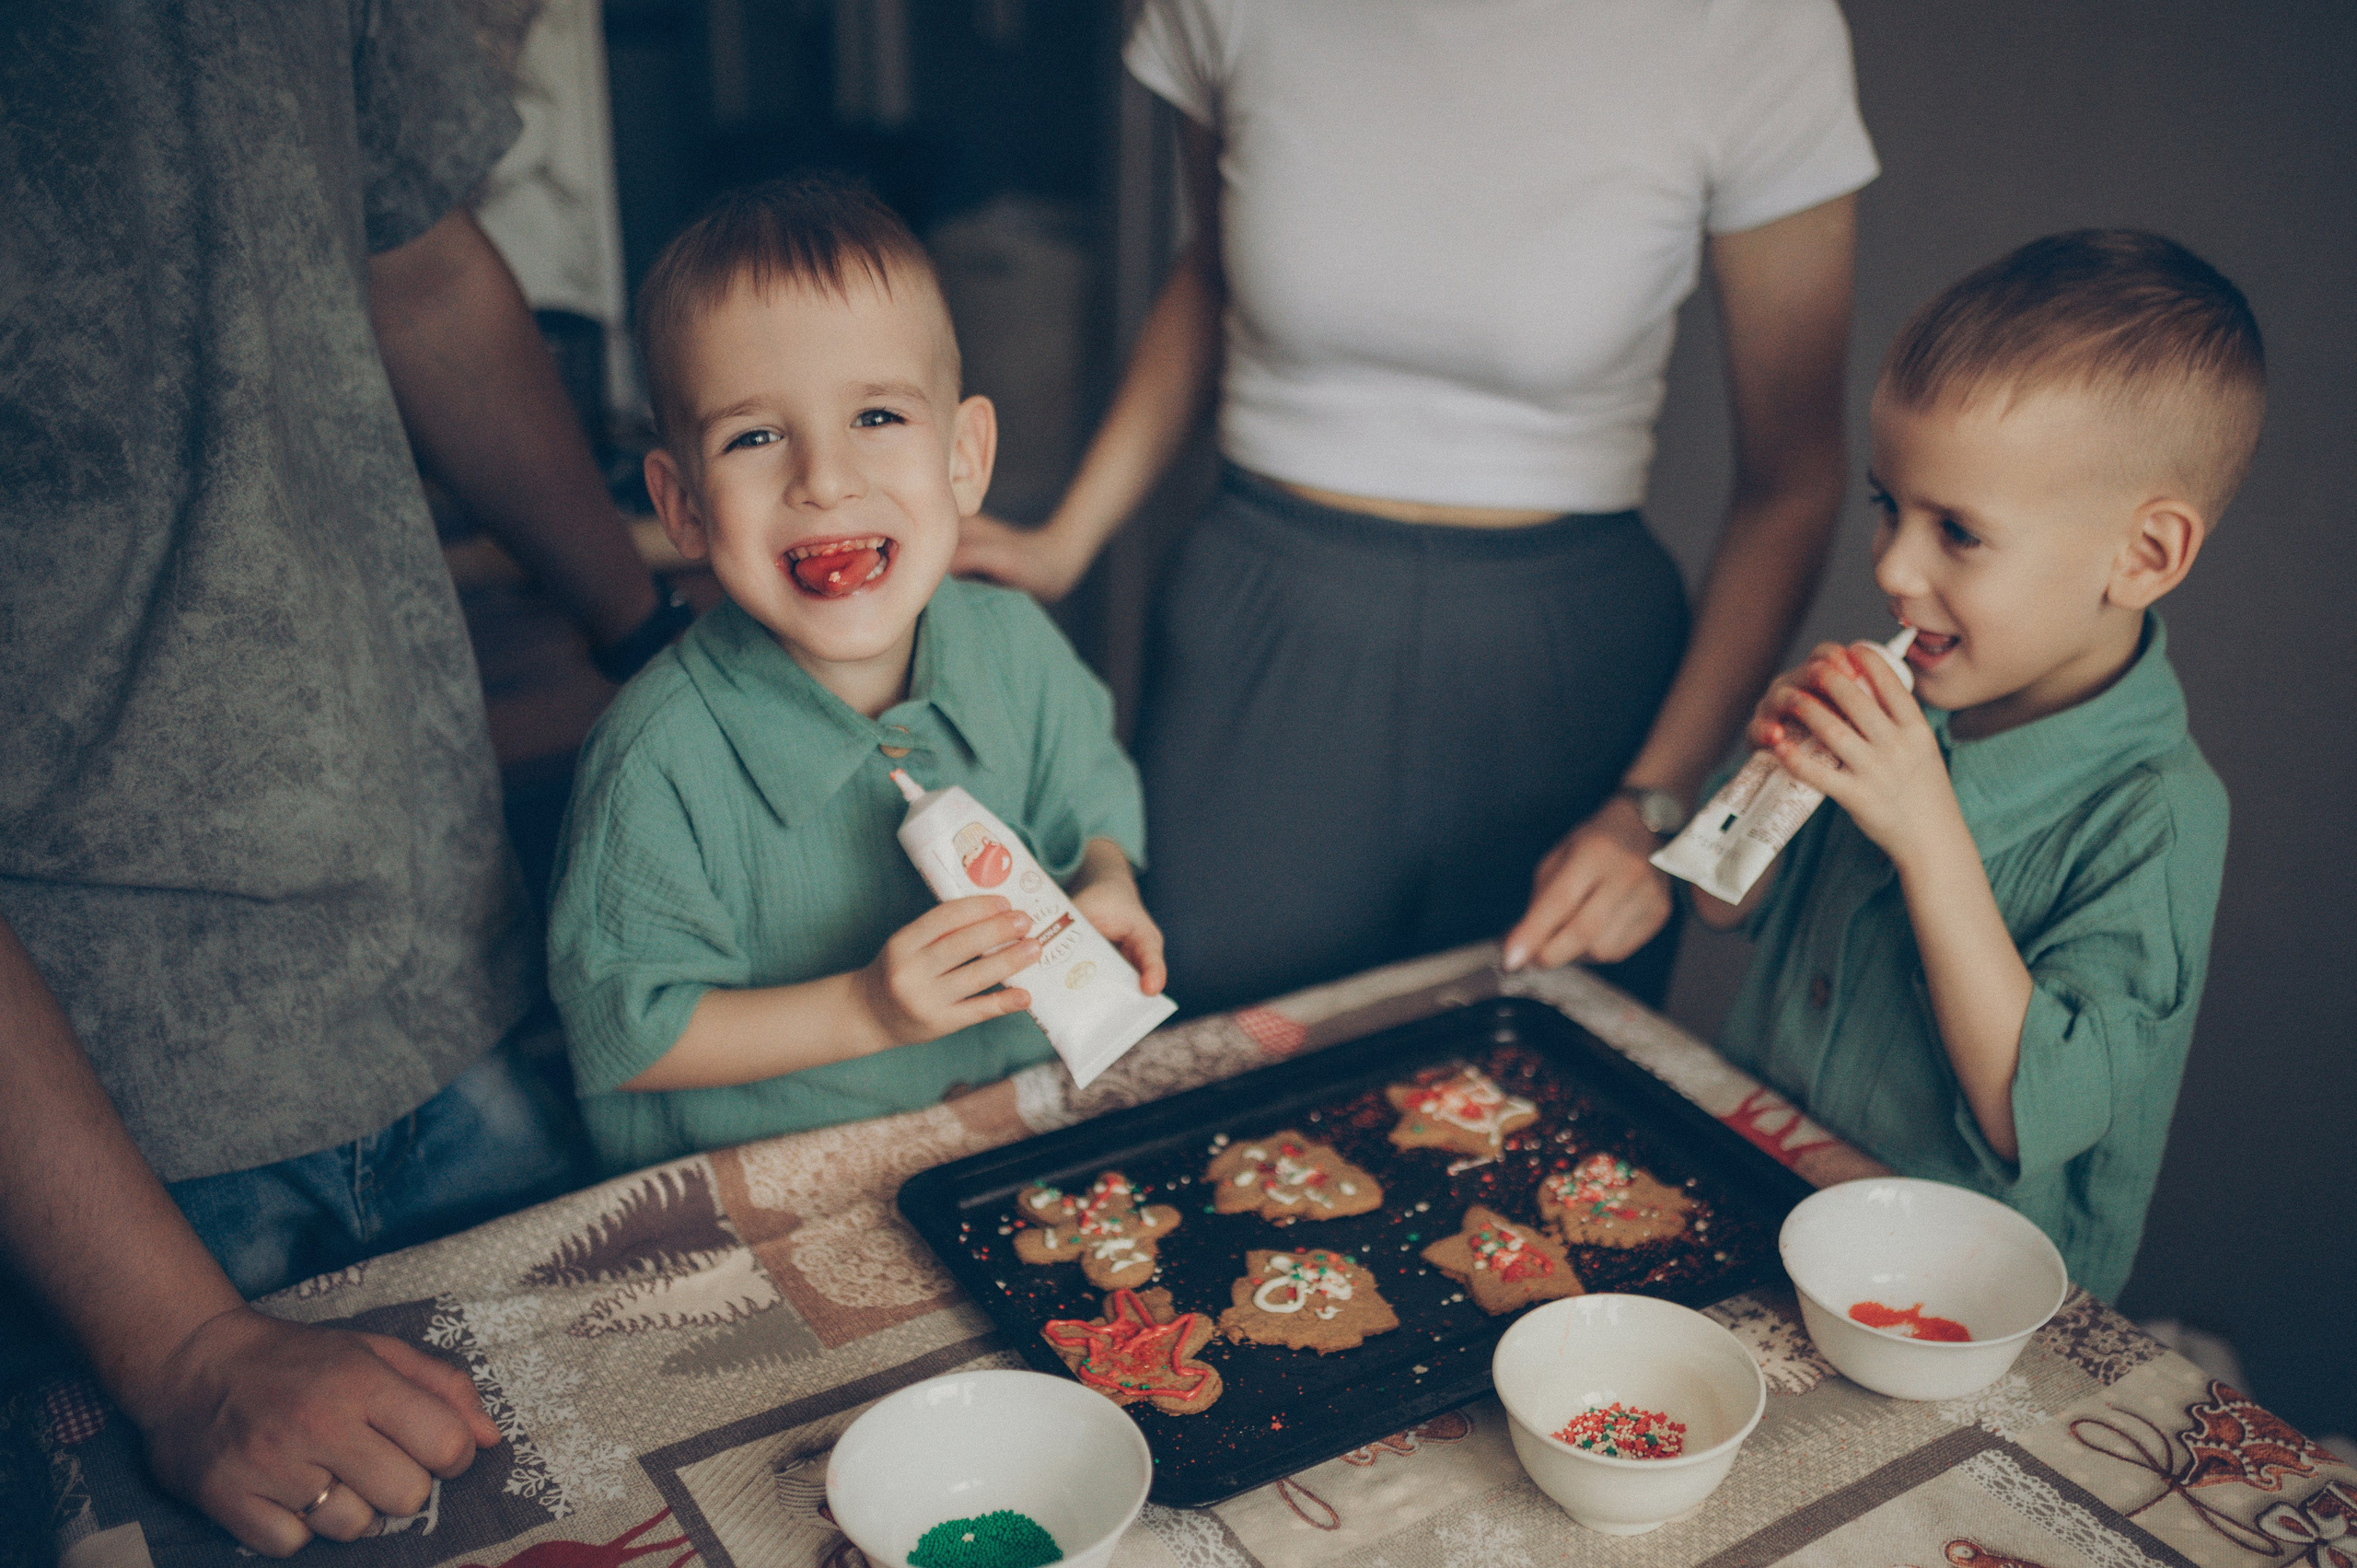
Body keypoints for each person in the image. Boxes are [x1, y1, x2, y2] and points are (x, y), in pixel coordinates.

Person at [0, 1, 691, 1552]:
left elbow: (421, 261)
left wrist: (654, 632)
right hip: (118, 1131)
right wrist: (177, 1346)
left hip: (459, 968)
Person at [952, 0, 1878, 1016]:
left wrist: (1652, 800)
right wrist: (1066, 537)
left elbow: (1791, 477)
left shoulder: (1753, 24)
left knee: (1531, 1108)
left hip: (1571, 675)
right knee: (1199, 1081)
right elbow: (1213, 268)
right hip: (1260, 628)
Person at [546, 178, 1167, 1173]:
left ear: (964, 457)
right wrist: (865, 1010)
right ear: (683, 504)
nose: (824, 479)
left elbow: (1091, 803)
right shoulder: (655, 755)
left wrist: (1103, 884)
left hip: (1012, 1140)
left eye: (877, 415)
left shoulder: (1016, 647)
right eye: (753, 436)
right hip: (775, 1199)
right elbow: (631, 1032)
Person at [1696, 231, 2254, 1300]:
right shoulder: (1909, 709)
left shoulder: (2158, 815)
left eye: (1957, 531)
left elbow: (2026, 1108)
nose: (1894, 566)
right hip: (1756, 1208)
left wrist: (1923, 827)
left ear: (2142, 556)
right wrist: (1770, 775)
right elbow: (1721, 903)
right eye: (1886, 506)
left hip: (1946, 1311)